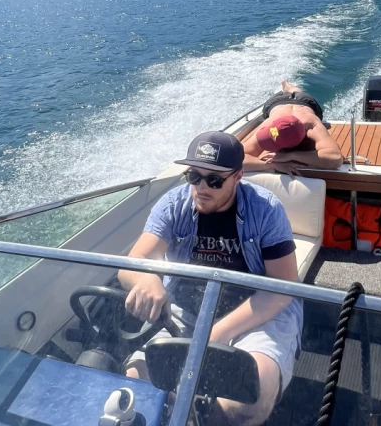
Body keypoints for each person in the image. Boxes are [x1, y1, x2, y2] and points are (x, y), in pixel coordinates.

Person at [117, 131, 302, 426]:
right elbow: (131, 264)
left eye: (214, 180)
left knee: (245, 403)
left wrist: (216, 334)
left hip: (258, 313)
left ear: (238, 176)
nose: (202, 187)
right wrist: (147, 278)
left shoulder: (266, 210)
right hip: (188, 311)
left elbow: (282, 288)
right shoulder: (173, 205)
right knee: (138, 390)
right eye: (194, 176)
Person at [243, 80, 343, 174]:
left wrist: (291, 155)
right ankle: (286, 84)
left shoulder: (311, 124)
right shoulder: (270, 125)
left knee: (297, 92)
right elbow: (236, 159)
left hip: (304, 102)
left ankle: (288, 86)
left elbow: (336, 158)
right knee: (295, 91)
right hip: (277, 103)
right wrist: (270, 165)